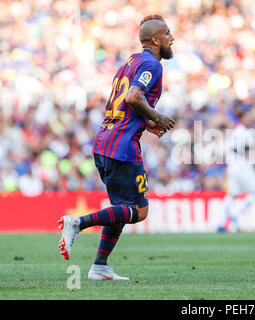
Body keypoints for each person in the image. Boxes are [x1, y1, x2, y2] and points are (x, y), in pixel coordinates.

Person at [57, 15, 176, 280]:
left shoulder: (130, 62)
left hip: (105, 141)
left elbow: (124, 105)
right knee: (139, 211)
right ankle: (77, 223)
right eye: (167, 33)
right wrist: (156, 117)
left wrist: (145, 124)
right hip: (121, 147)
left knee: (119, 209)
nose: (172, 38)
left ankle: (99, 266)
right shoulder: (151, 64)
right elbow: (133, 97)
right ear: (155, 40)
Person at [218, 110, 255, 232]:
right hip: (242, 166)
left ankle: (221, 223)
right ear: (242, 118)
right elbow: (247, 151)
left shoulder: (236, 131)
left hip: (233, 165)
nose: (250, 119)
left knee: (232, 195)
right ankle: (235, 214)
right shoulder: (245, 133)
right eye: (247, 117)